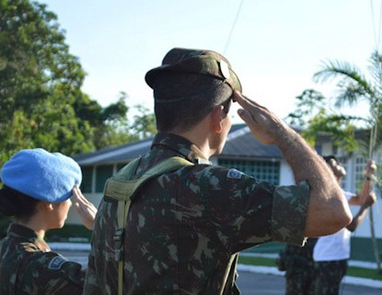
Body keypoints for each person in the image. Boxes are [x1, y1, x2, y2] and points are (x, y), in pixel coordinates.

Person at [83, 48, 352, 294]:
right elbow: (333, 211)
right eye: (230, 113)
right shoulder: (207, 187)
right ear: (217, 118)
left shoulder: (118, 184)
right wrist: (284, 134)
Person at [0, 148, 97, 294]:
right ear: (48, 203)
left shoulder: (4, 249)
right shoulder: (47, 269)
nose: (70, 204)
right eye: (68, 197)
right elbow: (107, 284)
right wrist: (101, 228)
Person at [313, 156, 377, 295]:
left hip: (335, 257)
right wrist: (366, 206)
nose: (340, 164)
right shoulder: (330, 197)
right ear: (327, 171)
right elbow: (351, 226)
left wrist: (368, 176)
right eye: (335, 163)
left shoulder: (338, 194)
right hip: (328, 259)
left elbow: (360, 199)